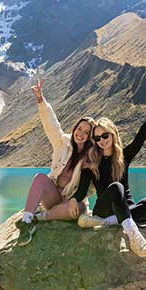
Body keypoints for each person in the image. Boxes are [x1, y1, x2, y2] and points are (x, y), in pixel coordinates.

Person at [72, 88, 146, 257]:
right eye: (97, 138)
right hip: (104, 208)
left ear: (113, 134)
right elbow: (81, 191)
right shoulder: (91, 163)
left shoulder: (124, 156)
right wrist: (69, 202)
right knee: (116, 187)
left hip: (126, 207)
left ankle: (107, 222)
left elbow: (141, 136)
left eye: (105, 136)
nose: (101, 141)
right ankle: (135, 238)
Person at [17, 80, 97, 228]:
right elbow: (51, 125)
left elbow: (90, 187)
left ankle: (41, 217)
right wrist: (40, 100)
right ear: (75, 128)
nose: (81, 134)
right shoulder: (62, 143)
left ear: (90, 137)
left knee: (77, 209)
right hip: (53, 196)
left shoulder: (91, 158)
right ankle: (26, 219)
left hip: (72, 201)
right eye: (79, 129)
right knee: (40, 178)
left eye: (86, 132)